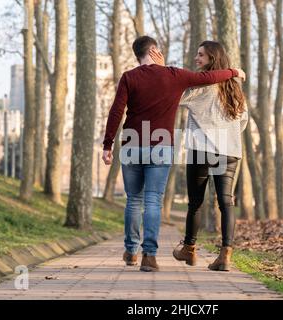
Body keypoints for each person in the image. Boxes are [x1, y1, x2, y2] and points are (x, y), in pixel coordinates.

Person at [102, 36, 246, 272]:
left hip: (143, 144)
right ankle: (154, 256)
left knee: (138, 200)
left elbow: (119, 109)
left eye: (201, 55)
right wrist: (233, 72)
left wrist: (108, 144)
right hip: (199, 147)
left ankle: (136, 250)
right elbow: (214, 86)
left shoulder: (132, 77)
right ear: (155, 51)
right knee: (217, 201)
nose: (196, 58)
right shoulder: (181, 77)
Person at [167, 41, 249, 272]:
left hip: (201, 149)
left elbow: (176, 99)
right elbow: (242, 120)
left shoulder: (198, 88)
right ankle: (226, 255)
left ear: (213, 58)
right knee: (226, 201)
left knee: (196, 202)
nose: (196, 58)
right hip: (230, 150)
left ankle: (189, 249)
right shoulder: (235, 87)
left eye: (201, 55)